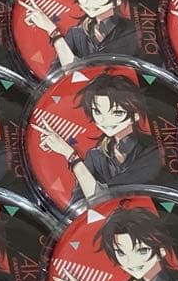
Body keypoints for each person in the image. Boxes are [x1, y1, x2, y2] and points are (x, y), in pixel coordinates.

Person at [31, 73, 164, 206]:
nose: (105, 120)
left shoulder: (153, 151)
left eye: (117, 113)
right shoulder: (95, 155)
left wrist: (71, 155)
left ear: (135, 116)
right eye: (98, 112)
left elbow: (103, 199)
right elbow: (78, 205)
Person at [20, 0, 138, 74]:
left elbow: (83, 74)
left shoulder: (128, 31)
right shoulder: (76, 34)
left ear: (118, 0)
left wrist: (53, 31)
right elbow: (56, 77)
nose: (88, 3)